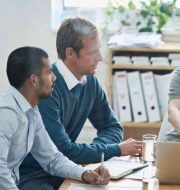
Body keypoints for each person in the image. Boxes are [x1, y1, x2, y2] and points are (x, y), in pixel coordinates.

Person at [19, 17, 142, 189]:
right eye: (93, 52)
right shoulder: (45, 88)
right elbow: (63, 150)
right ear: (70, 53)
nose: (100, 58)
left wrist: (94, 152)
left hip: (68, 169)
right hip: (32, 176)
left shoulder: (90, 82)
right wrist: (116, 149)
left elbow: (112, 127)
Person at [0, 46, 110, 190]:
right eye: (49, 72)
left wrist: (85, 174)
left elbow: (52, 159)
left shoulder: (31, 111)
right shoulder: (7, 113)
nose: (54, 78)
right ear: (34, 80)